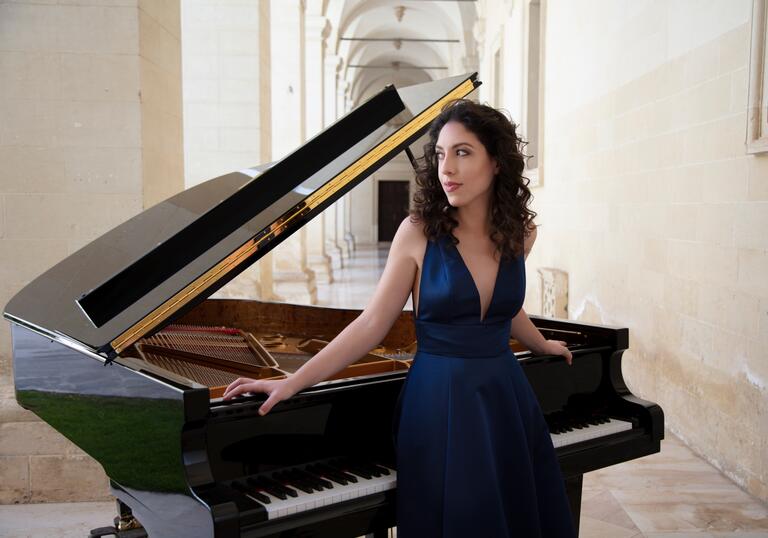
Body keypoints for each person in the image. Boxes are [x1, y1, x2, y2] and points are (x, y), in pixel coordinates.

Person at [223, 99, 577, 537]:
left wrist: (540, 344)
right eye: (442, 154)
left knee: (516, 515)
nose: (447, 167)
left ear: (497, 162)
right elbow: (372, 325)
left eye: (463, 152)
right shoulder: (418, 233)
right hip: (440, 402)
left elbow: (504, 307)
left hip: (505, 396)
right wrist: (291, 382)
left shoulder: (521, 234)